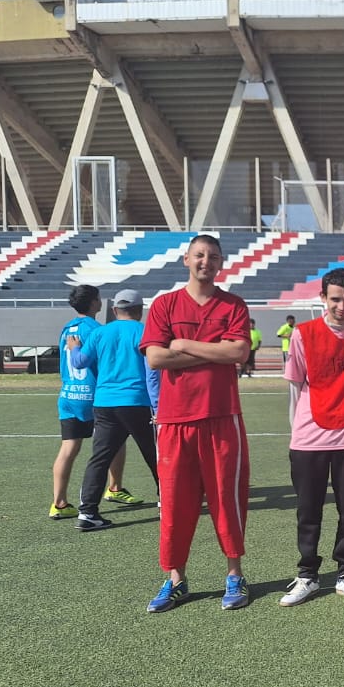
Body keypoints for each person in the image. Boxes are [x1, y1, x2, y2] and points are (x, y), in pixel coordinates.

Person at [140, 234, 252, 613]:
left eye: (214, 256)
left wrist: (183, 344)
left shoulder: (233, 305)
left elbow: (238, 351)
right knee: (175, 504)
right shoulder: (165, 304)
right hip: (174, 420)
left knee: (227, 501)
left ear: (221, 263)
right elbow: (155, 358)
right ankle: (176, 580)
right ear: (186, 259)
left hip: (222, 417)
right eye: (200, 255)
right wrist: (215, 352)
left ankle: (234, 575)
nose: (206, 261)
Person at [279, 268, 344, 607]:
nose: (342, 306)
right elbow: (295, 388)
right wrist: (297, 433)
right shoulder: (303, 334)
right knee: (308, 510)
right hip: (309, 439)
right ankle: (307, 574)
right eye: (335, 299)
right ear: (323, 297)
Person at [69, 289, 160, 530]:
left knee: (99, 459)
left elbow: (79, 362)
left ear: (114, 309)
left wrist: (74, 347)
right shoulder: (145, 332)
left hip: (105, 403)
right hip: (137, 402)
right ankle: (167, 503)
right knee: (156, 455)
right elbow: (153, 372)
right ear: (140, 309)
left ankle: (87, 512)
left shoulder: (99, 333)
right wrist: (158, 406)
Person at [50, 285, 136, 519]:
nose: (101, 301)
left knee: (69, 448)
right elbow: (101, 361)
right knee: (115, 440)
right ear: (93, 303)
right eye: (98, 298)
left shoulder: (67, 328)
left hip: (69, 394)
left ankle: (59, 503)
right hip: (93, 395)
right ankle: (114, 487)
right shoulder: (96, 329)